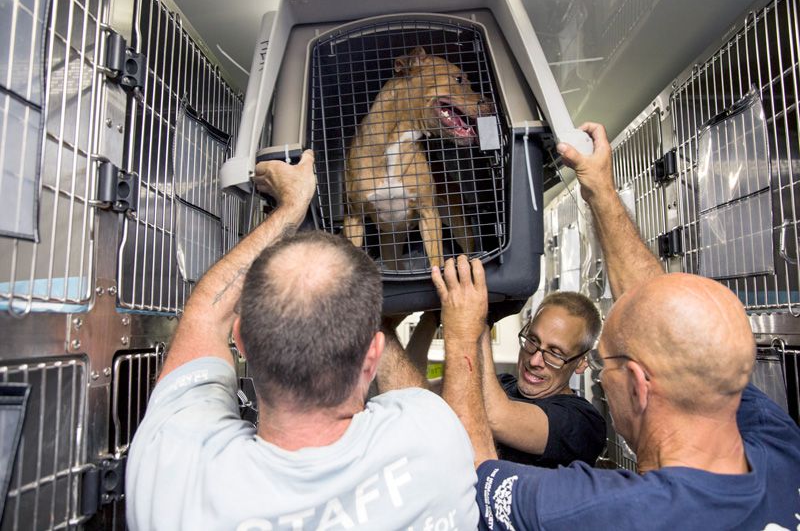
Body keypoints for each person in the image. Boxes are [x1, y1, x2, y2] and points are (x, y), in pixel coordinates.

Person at [436, 123, 800, 530]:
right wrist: (600, 192)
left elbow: (474, 474)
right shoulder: (777, 443)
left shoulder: (606, 512)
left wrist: (464, 329)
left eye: (602, 364)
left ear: (638, 385)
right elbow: (658, 312)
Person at [125, 151, 479, 531]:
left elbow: (206, 317)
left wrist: (291, 207)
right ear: (372, 357)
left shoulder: (174, 478)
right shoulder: (436, 440)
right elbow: (424, 406)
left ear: (241, 341)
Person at [378, 295, 606, 469]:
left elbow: (494, 416)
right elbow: (414, 394)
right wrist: (431, 319)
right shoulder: (503, 383)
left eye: (555, 353)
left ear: (581, 363)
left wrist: (478, 319)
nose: (535, 360)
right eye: (532, 341)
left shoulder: (582, 423)